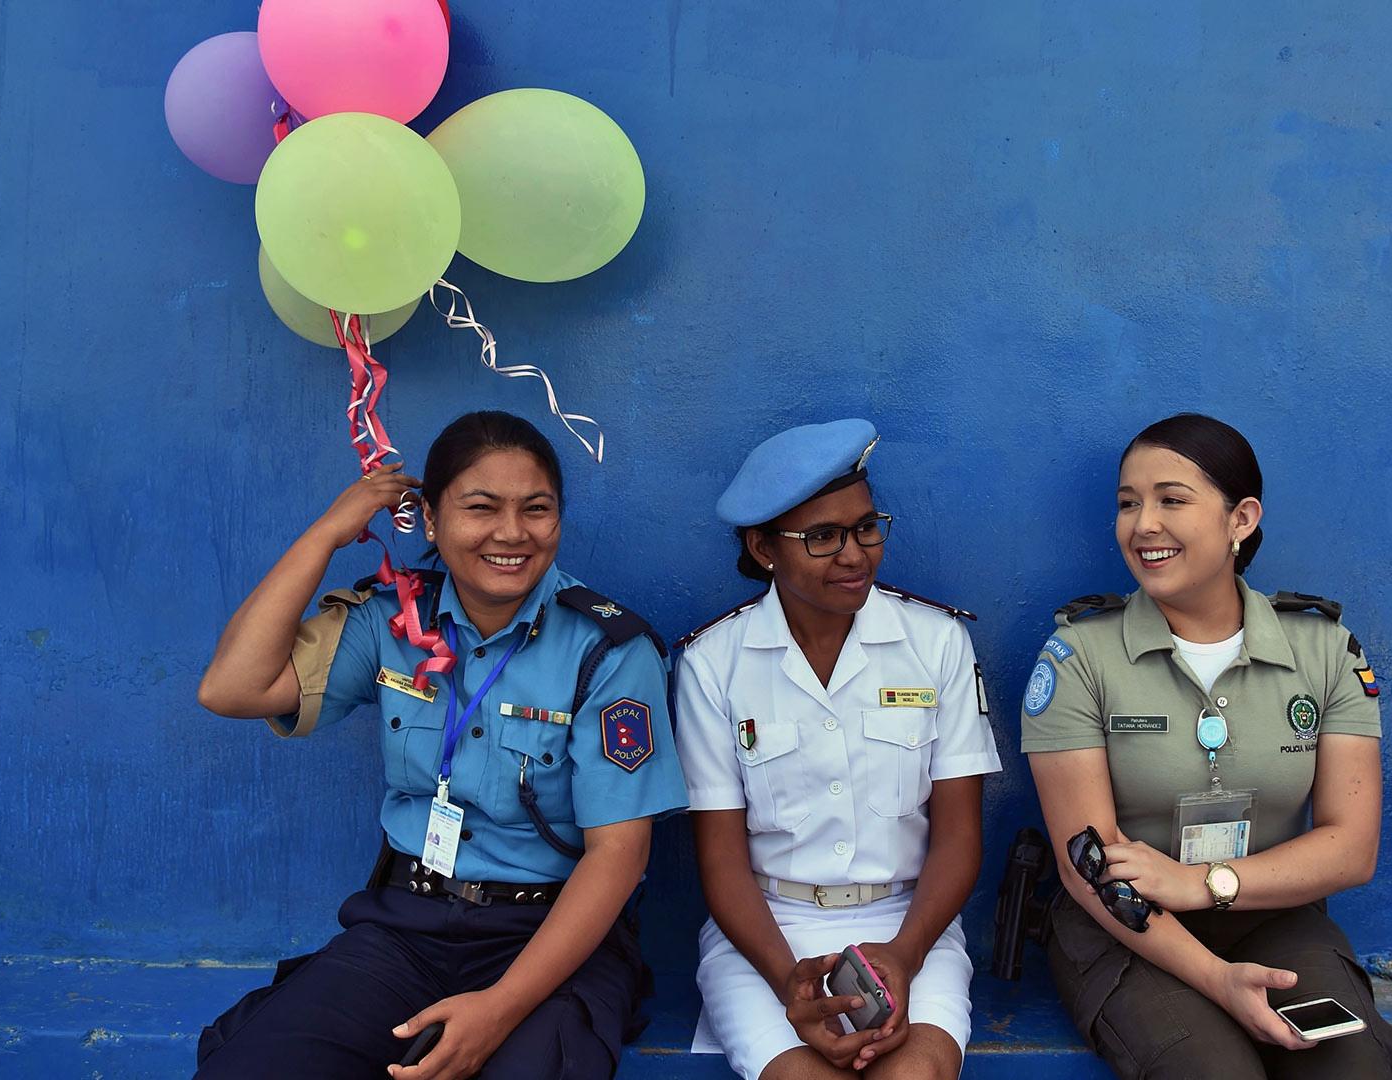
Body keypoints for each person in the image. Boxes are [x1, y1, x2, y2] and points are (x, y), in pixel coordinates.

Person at [192, 410, 687, 1080]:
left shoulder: (607, 650)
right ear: (430, 519)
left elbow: (619, 856)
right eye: (481, 507)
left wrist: (500, 1009)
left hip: (548, 940)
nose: (512, 533)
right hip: (406, 929)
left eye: (536, 509)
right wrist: (327, 535)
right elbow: (232, 688)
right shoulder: (390, 620)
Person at [1020, 413, 1392, 1080]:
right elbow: (1089, 866)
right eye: (1127, 503)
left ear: (1241, 520)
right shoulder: (1079, 656)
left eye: (1171, 499)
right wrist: (1218, 978)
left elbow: (1352, 846)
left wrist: (1205, 884)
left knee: (1349, 1064)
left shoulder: (1323, 651)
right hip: (1126, 931)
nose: (1143, 524)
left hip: (1270, 917)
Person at [673, 419, 1002, 1080]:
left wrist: (904, 957)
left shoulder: (936, 645)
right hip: (766, 933)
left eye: (865, 528)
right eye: (822, 537)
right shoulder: (715, 663)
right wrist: (791, 984)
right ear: (763, 548)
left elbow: (959, 836)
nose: (854, 555)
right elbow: (722, 862)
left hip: (910, 925)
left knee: (917, 1073)